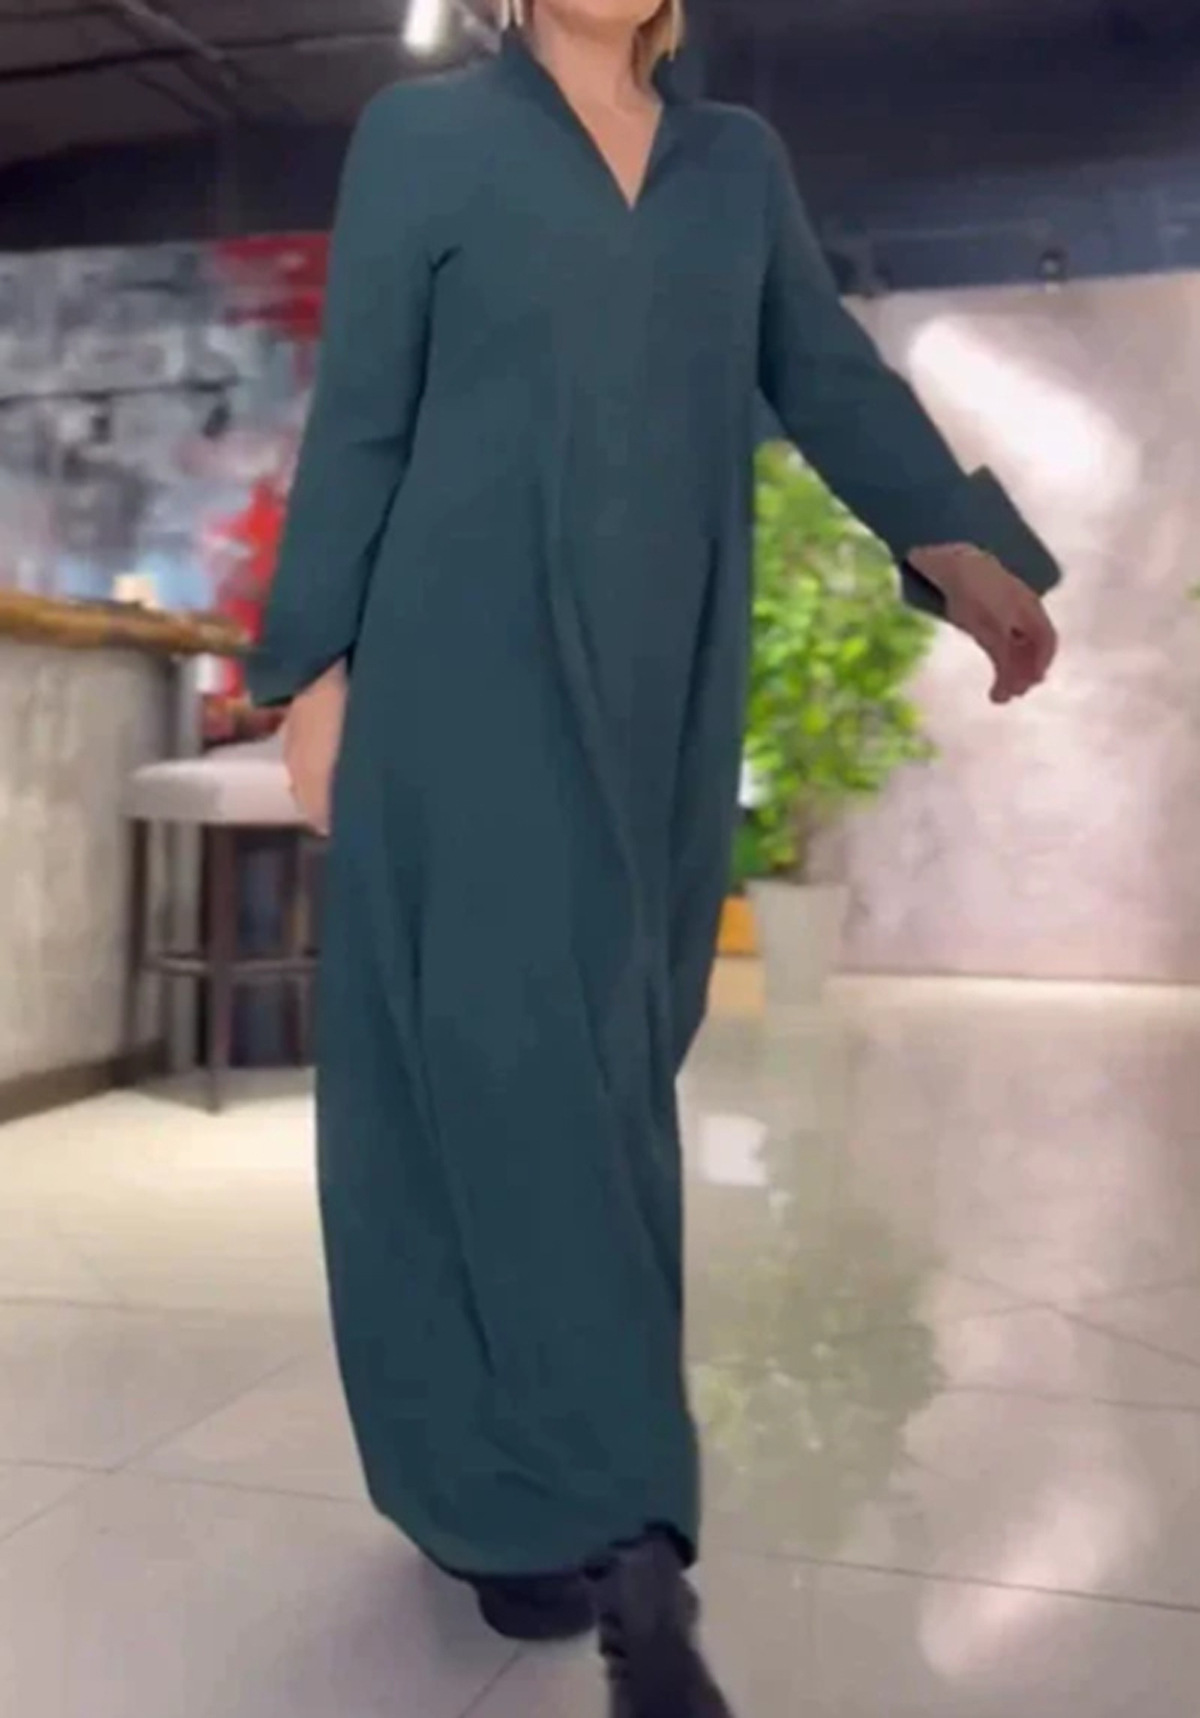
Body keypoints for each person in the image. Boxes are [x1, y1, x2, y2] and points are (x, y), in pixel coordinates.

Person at [249, 2, 1060, 1712]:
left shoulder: (733, 165)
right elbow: (363, 414)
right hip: (456, 676)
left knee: (595, 1084)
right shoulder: (426, 141)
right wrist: (314, 672)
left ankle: (503, 1489)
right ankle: (635, 1559)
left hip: (658, 701)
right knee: (503, 1069)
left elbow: (826, 375)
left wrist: (961, 547)